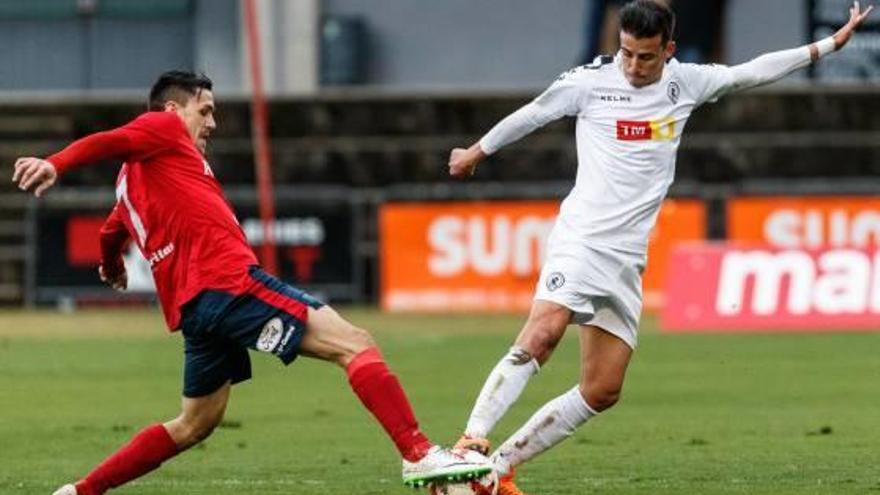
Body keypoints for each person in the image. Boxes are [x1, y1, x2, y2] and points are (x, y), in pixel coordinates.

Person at [446, 2, 873, 494]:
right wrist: (476, 151)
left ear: (667, 50)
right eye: (626, 53)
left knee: (602, 389)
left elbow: (751, 73)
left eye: (645, 57)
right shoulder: (590, 81)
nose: (632, 66)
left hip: (626, 260)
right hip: (581, 239)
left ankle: (496, 471)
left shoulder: (686, 83)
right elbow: (535, 112)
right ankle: (470, 443)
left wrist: (828, 45)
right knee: (544, 332)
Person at [11, 70, 490, 495]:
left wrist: (112, 265)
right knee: (354, 343)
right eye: (206, 110)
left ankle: (82, 491)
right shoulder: (162, 128)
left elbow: (111, 229)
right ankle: (419, 452)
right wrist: (56, 163)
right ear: (174, 110)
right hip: (227, 283)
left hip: (196, 310)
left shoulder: (135, 180)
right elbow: (107, 139)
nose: (213, 123)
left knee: (194, 423)